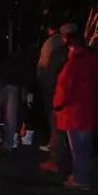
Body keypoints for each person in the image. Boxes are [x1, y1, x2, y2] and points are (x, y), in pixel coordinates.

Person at [40, 24, 98, 190]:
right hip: (88, 109)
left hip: (75, 112)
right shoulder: (92, 59)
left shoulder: (74, 63)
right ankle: (79, 175)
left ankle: (80, 179)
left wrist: (57, 104)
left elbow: (65, 88)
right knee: (84, 147)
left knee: (78, 148)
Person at [36, 21, 68, 153]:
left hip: (51, 83)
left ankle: (55, 144)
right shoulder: (64, 44)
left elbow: (44, 65)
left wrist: (41, 79)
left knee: (53, 114)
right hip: (59, 83)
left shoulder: (50, 43)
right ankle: (61, 141)